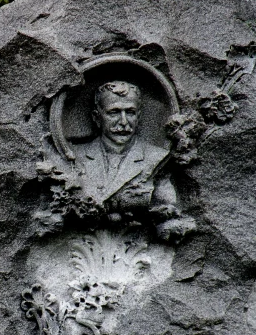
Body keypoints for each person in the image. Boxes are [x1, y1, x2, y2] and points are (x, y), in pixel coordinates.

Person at [73, 81, 194, 241]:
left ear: (138, 116)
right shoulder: (77, 156)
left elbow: (166, 206)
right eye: (114, 112)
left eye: (129, 112)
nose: (123, 122)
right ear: (97, 117)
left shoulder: (156, 157)